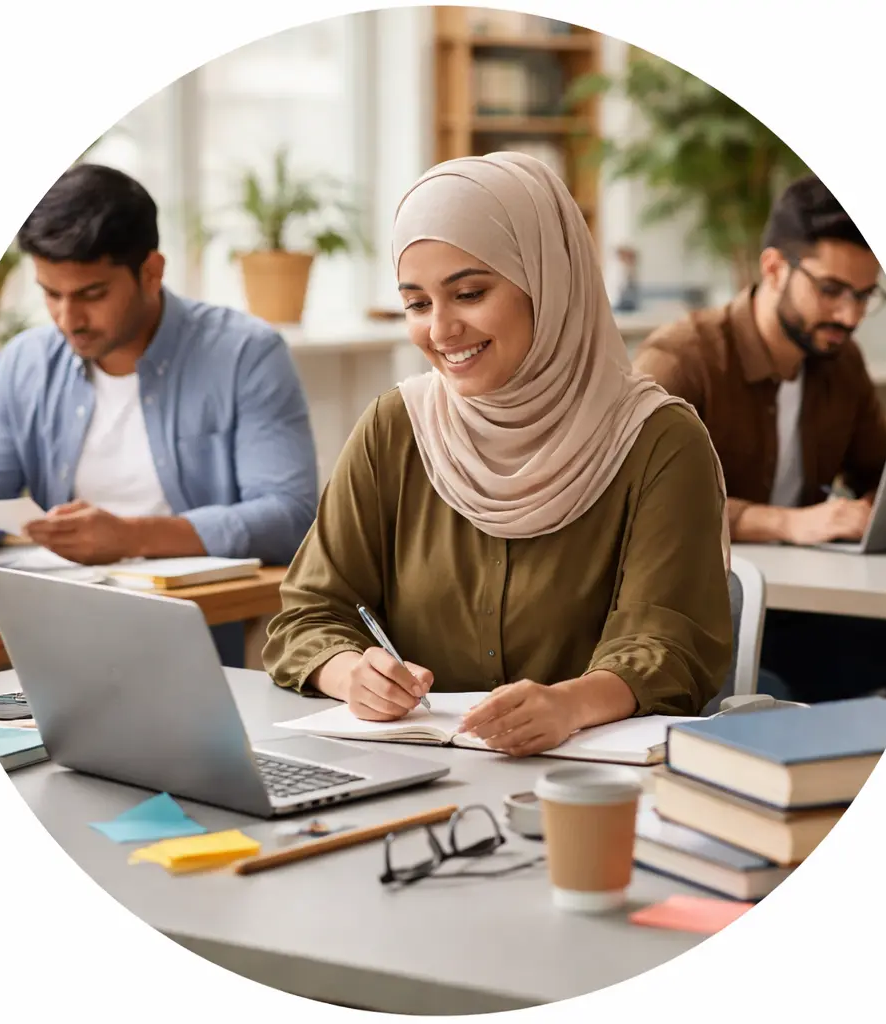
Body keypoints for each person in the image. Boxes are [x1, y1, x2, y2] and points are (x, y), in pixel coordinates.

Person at [262, 152, 733, 757]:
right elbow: (309, 611)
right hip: (406, 777)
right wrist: (350, 671)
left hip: (586, 791)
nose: (441, 330)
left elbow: (670, 646)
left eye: (469, 293)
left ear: (548, 281)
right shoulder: (395, 428)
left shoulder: (657, 440)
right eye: (417, 303)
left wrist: (570, 705)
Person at [0, 164, 319, 664]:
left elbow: (289, 516)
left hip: (191, 640)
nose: (68, 320)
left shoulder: (245, 354)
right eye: (51, 294)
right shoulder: (26, 362)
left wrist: (129, 537)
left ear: (152, 272)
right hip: (51, 632)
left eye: (92, 294)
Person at [632, 174, 886, 704]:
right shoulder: (682, 361)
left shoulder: (840, 361)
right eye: (832, 290)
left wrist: (884, 504)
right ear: (773, 268)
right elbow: (637, 511)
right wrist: (790, 523)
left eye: (866, 295)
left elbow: (885, 472)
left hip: (806, 612)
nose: (850, 315)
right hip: (699, 623)